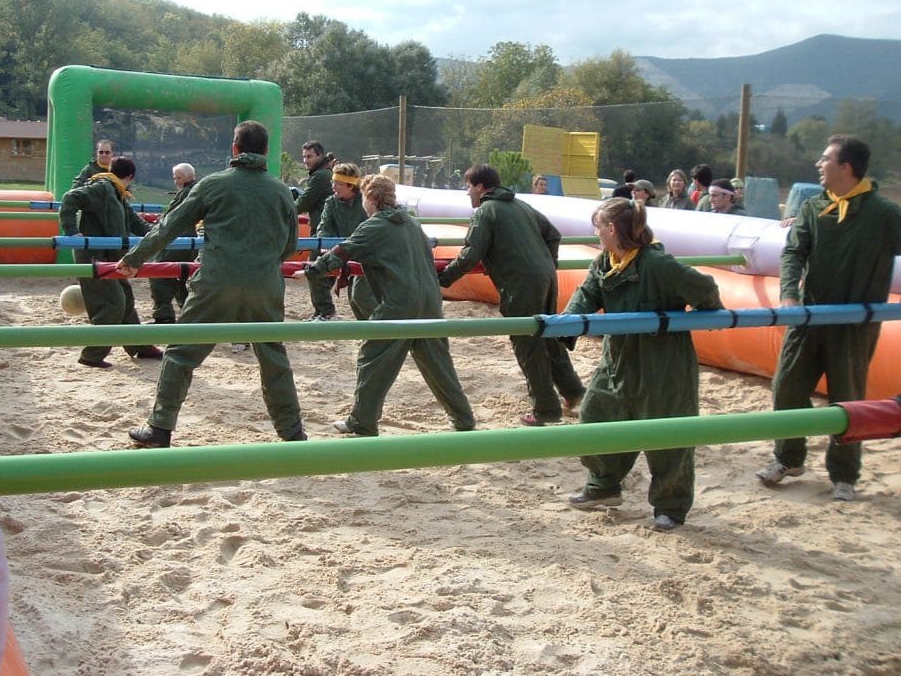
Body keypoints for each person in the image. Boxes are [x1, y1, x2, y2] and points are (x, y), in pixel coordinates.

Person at [115, 121, 306, 447]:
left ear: (234, 149)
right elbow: (290, 245)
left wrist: (134, 259)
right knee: (273, 357)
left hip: (216, 282)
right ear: (266, 151)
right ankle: (292, 434)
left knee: (181, 353)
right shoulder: (281, 191)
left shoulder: (213, 185)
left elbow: (168, 227)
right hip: (265, 285)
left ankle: (160, 428)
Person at [756, 135, 901, 501]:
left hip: (855, 326)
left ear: (845, 167)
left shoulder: (883, 214)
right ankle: (788, 458)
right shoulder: (812, 207)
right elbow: (793, 253)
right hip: (807, 318)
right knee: (786, 388)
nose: (819, 165)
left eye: (825, 159)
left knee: (848, 398)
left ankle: (844, 475)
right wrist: (789, 293)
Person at [563, 198, 723, 531]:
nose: (595, 234)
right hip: (618, 357)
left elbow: (705, 289)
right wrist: (562, 325)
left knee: (667, 433)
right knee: (595, 415)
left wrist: (709, 313)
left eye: (598, 228)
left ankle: (670, 506)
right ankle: (603, 486)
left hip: (663, 363)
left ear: (611, 229)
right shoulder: (604, 261)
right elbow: (585, 296)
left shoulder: (657, 264)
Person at [305, 174, 475, 437]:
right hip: (430, 301)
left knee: (372, 356)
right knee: (438, 365)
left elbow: (343, 250)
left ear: (371, 199)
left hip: (399, 303)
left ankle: (363, 420)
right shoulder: (411, 222)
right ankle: (463, 419)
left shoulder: (375, 225)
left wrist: (312, 271)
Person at [438, 164, 584, 425]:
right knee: (548, 336)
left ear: (481, 187)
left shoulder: (486, 211)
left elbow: (471, 254)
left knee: (527, 343)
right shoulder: (521, 205)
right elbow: (554, 234)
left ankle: (545, 408)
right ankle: (573, 392)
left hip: (521, 283)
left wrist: (442, 279)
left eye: (468, 186)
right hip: (547, 278)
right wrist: (549, 264)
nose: (467, 192)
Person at [58, 156, 164, 368]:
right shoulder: (102, 189)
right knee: (113, 303)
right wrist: (72, 231)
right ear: (130, 177)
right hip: (95, 258)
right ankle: (92, 354)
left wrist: (163, 233)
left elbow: (136, 223)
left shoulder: (118, 194)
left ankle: (139, 346)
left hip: (113, 259)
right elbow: (70, 198)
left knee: (126, 298)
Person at [315, 161, 377, 320]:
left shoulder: (366, 202)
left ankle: (378, 327)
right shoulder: (331, 202)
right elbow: (324, 226)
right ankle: (326, 312)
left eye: (338, 183)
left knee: (358, 297)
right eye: (333, 182)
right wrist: (328, 244)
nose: (333, 186)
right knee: (315, 270)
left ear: (351, 185)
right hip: (341, 250)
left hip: (364, 253)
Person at [148, 163, 197, 324]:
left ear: (190, 177)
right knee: (180, 279)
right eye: (175, 177)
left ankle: (164, 315)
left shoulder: (186, 193)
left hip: (180, 240)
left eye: (179, 177)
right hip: (191, 242)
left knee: (158, 271)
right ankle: (190, 314)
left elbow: (172, 218)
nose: (176, 181)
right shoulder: (195, 191)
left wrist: (157, 225)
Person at [295, 140, 337, 321]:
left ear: (320, 155)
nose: (305, 160)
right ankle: (323, 311)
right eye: (304, 156)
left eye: (309, 156)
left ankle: (326, 311)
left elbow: (303, 203)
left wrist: (283, 210)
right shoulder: (325, 174)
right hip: (328, 230)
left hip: (322, 232)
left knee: (315, 270)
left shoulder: (320, 177)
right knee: (324, 271)